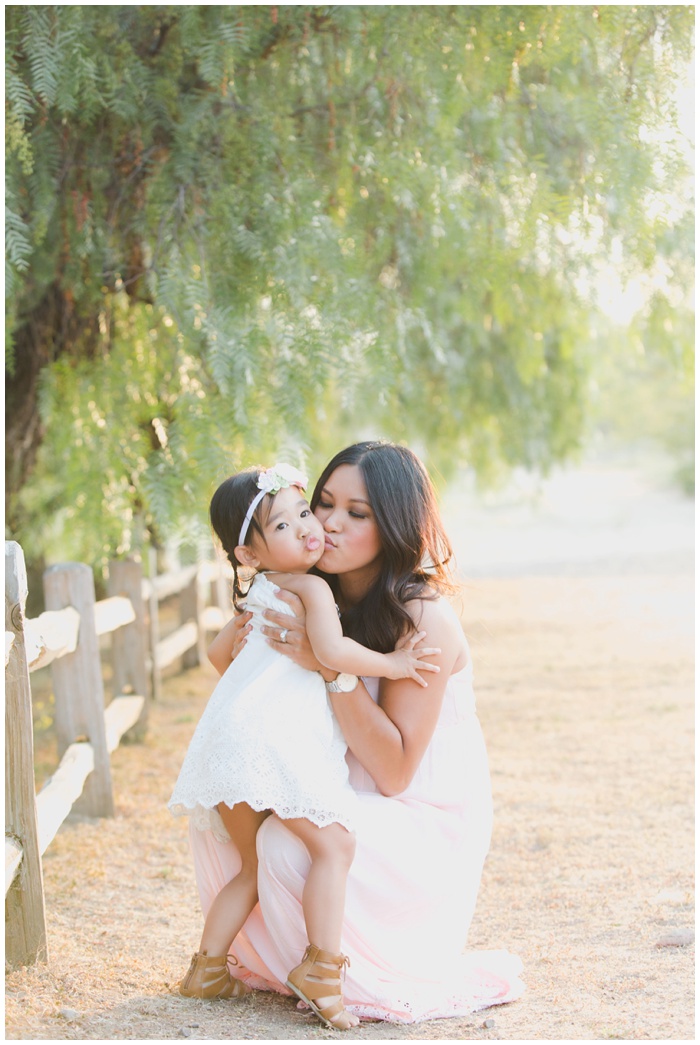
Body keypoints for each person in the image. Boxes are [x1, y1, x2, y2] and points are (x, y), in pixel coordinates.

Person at [189, 441, 525, 1024]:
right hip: (344, 791)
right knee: (246, 816)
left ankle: (327, 967)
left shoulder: (422, 619)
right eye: (323, 504)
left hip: (419, 818)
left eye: (357, 513)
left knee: (286, 845)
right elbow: (230, 661)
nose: (329, 524)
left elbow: (395, 774)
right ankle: (250, 963)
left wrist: (330, 667)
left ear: (394, 524)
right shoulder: (307, 590)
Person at [168, 462, 440, 1030]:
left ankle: (207, 969)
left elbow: (221, 659)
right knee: (335, 847)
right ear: (249, 554)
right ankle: (321, 967)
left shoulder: (259, 592)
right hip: (275, 747)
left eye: (301, 512)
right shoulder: (312, 586)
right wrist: (393, 663)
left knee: (250, 867)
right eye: (289, 526)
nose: (311, 527)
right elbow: (334, 655)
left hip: (225, 746)